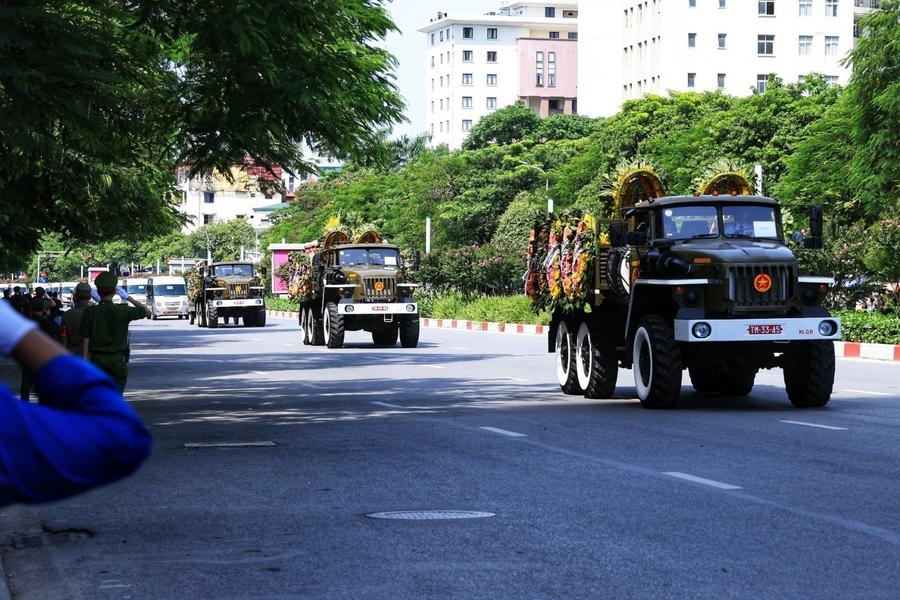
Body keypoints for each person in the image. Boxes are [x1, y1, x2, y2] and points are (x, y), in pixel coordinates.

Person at [0, 298, 151, 505]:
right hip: (79, 363)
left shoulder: (77, 314)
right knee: (110, 399)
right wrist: (15, 331)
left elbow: (73, 336)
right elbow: (120, 439)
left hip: (80, 358)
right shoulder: (118, 311)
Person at [80, 272, 151, 392]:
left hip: (97, 362)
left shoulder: (90, 312)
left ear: (97, 292)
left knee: (98, 397)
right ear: (115, 292)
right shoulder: (122, 311)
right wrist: (128, 297)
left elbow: (85, 341)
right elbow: (146, 312)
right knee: (115, 398)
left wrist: (83, 366)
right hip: (117, 362)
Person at [60, 282, 93, 354]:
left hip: (72, 354)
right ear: (90, 296)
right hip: (91, 356)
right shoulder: (95, 314)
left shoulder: (67, 315)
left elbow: (64, 339)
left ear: (75, 297)